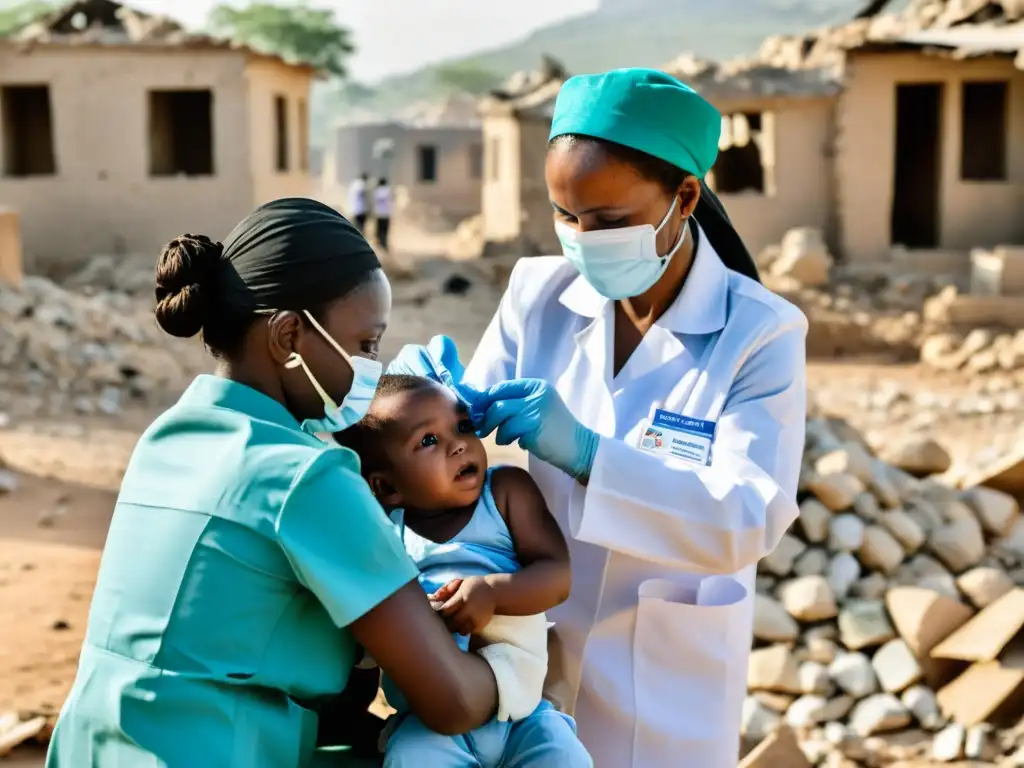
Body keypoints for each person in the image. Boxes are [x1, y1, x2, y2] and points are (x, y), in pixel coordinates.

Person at [388, 68, 808, 768]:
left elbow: (747, 516)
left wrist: (588, 453)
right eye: (564, 216)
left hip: (664, 675)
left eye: (609, 222)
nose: (581, 241)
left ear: (684, 197)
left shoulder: (761, 334)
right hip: (526, 649)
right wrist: (426, 401)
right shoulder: (539, 292)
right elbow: (459, 429)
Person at [45, 198, 521, 768]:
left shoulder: (166, 437)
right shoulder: (307, 476)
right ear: (289, 336)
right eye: (367, 345)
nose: (373, 367)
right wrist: (525, 672)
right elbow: (452, 701)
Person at [335, 373, 592, 768]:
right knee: (408, 759)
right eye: (428, 440)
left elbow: (557, 577)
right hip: (430, 724)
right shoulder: (388, 530)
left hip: (522, 716)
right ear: (387, 488)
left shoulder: (505, 493)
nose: (458, 445)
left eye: (463, 426)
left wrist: (493, 592)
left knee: (564, 757)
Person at [373, 178, 392, 251]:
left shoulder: (377, 191)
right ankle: (384, 244)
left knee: (379, 231)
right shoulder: (388, 190)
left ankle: (379, 244)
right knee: (385, 231)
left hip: (379, 214)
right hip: (386, 214)